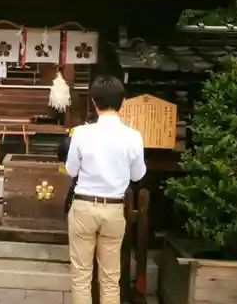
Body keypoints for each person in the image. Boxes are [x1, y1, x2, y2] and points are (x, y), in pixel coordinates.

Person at [65, 75, 146, 304]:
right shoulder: (133, 137)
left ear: (94, 102)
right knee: (110, 278)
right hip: (114, 208)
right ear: (122, 101)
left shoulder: (81, 133)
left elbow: (71, 170)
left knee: (81, 275)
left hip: (84, 205)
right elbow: (138, 175)